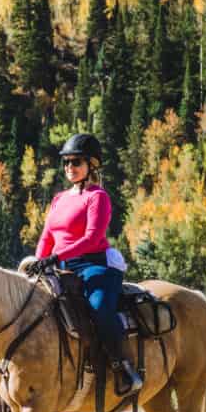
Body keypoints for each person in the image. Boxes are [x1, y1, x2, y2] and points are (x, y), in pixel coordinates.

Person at [28, 133, 143, 393]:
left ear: (92, 164)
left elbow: (92, 239)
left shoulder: (97, 197)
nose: (70, 167)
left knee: (100, 308)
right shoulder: (59, 199)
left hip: (94, 266)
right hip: (58, 267)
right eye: (66, 162)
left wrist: (57, 256)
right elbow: (47, 236)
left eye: (76, 161)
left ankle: (122, 367)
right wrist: (36, 262)